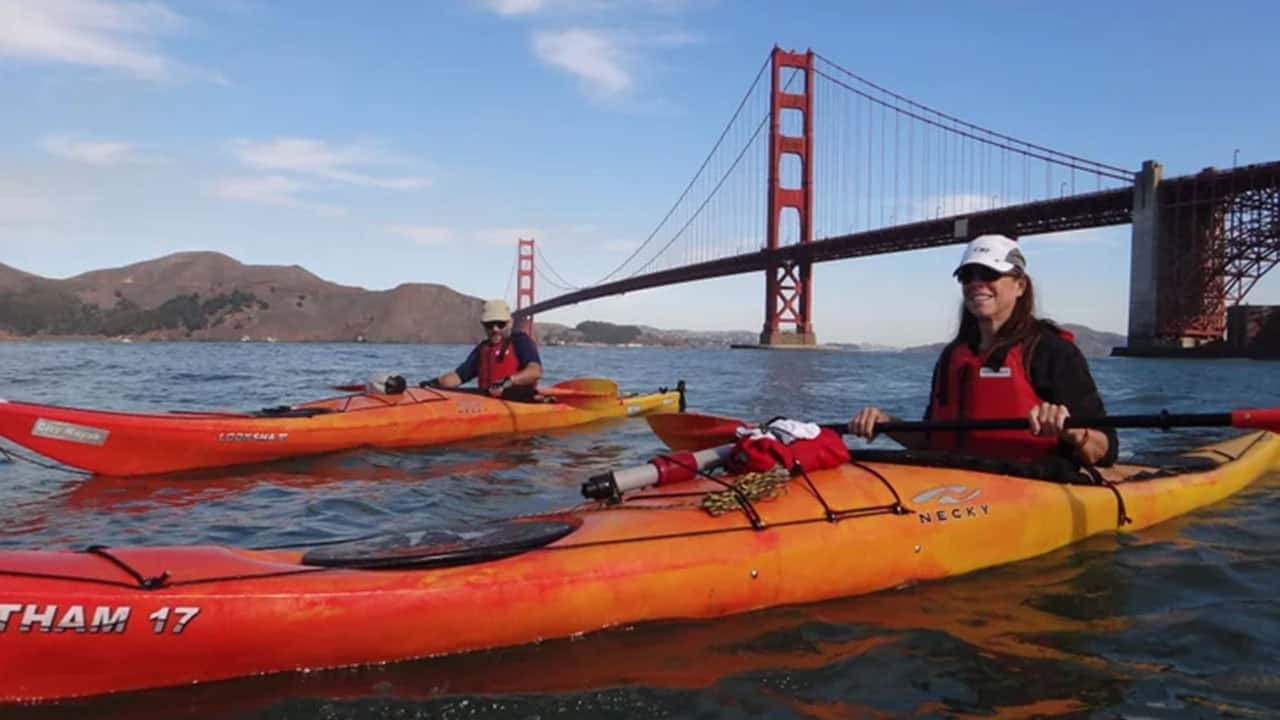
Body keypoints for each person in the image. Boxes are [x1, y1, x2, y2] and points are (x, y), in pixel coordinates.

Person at [848, 234, 1117, 470]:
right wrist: (885, 422)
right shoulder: (953, 356)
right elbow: (931, 441)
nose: (976, 284)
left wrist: (1069, 429)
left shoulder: (1053, 352)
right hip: (955, 483)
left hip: (1029, 483)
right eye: (968, 276)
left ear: (1020, 286)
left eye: (989, 274)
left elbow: (1106, 451)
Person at [421, 299, 543, 401]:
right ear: (483, 325)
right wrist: (434, 383)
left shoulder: (521, 341)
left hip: (519, 401)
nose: (495, 329)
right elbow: (458, 376)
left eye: (500, 324)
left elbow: (535, 372)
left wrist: (507, 382)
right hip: (488, 401)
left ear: (510, 323)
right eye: (489, 324)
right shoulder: (483, 349)